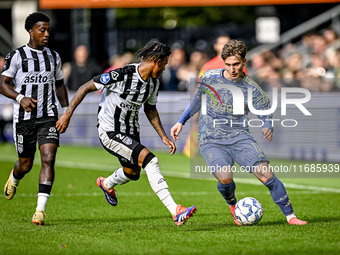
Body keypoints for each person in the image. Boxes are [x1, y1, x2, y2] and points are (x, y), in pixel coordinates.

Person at [56, 41, 196, 226]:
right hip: (110, 131)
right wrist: (67, 114)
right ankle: (175, 210)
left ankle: (106, 184)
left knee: (132, 173)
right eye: (164, 65)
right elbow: (85, 87)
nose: (164, 69)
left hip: (131, 132)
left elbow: (151, 110)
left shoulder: (153, 83)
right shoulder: (122, 74)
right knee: (150, 160)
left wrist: (163, 136)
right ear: (157, 61)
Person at [171, 39, 307, 225]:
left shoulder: (252, 88)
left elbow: (265, 111)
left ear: (244, 61)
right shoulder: (210, 77)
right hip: (211, 138)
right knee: (225, 177)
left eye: (236, 64)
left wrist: (267, 124)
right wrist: (181, 121)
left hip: (239, 137)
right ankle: (233, 204)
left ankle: (291, 217)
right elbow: (196, 100)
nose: (232, 68)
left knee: (266, 174)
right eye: (228, 65)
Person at [0, 12, 69, 225]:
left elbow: (59, 85)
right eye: (42, 30)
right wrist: (20, 98)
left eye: (48, 29)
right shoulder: (17, 56)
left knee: (49, 158)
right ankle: (15, 176)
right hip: (24, 119)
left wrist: (66, 110)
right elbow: (3, 83)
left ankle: (40, 210)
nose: (47, 34)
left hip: (48, 115)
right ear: (31, 31)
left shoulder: (54, 56)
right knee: (26, 164)